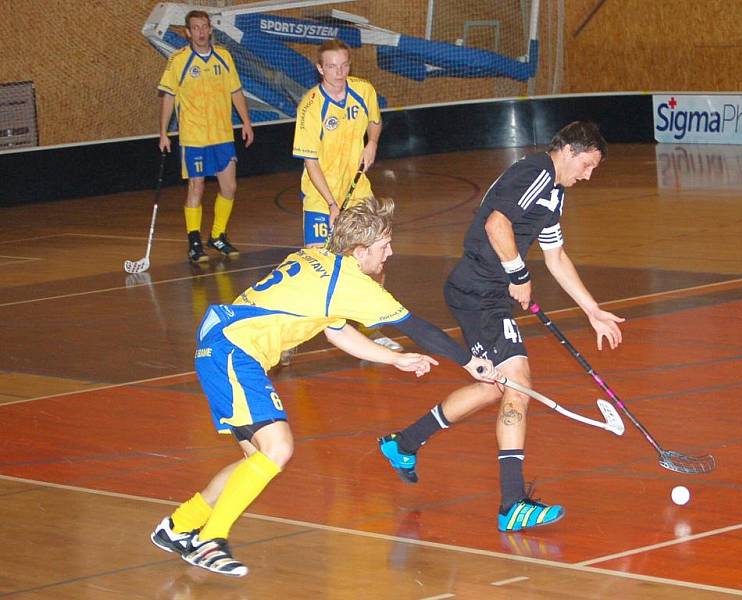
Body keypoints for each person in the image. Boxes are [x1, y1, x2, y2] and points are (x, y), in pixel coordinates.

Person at [149, 196, 497, 577]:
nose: (390, 253)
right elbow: (418, 328)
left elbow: (336, 331)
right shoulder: (351, 284)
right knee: (279, 447)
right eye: (384, 247)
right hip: (235, 350)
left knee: (257, 459)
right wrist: (470, 362)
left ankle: (180, 525)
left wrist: (394, 359)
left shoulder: (314, 255)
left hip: (219, 343)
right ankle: (211, 540)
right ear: (360, 250)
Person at [378, 121, 625, 532]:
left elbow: (556, 256)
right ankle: (512, 503)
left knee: (493, 386)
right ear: (567, 150)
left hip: (483, 294)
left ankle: (403, 444)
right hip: (480, 294)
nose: (587, 174)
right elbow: (496, 223)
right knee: (518, 383)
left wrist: (592, 309)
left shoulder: (553, 193)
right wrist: (516, 273)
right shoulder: (536, 173)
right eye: (587, 164)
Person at [290, 38, 401, 357]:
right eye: (332, 67)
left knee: (376, 262)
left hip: (359, 192)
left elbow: (375, 123)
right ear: (320, 68)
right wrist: (332, 204)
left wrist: (372, 144)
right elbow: (310, 162)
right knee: (319, 266)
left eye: (345, 65)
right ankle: (295, 329)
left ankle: (372, 327)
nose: (340, 72)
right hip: (320, 197)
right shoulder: (310, 107)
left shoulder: (363, 91)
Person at [158, 9, 254, 263]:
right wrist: (164, 132)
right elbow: (168, 97)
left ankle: (218, 235)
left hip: (222, 134)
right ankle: (194, 241)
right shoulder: (178, 60)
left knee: (229, 187)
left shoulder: (223, 57)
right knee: (196, 186)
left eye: (205, 27)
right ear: (188, 32)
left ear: (210, 29)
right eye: (196, 28)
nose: (201, 32)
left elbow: (236, 91)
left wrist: (246, 122)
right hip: (194, 137)